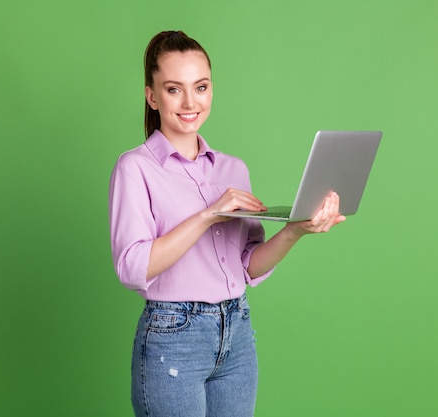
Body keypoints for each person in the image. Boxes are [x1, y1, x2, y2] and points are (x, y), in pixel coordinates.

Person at [109, 30, 345, 417]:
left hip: (236, 332)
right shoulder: (135, 168)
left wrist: (295, 230)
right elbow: (132, 268)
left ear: (211, 90)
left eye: (200, 87)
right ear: (152, 95)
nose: (190, 102)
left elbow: (248, 265)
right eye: (173, 89)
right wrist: (208, 215)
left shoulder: (234, 169)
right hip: (173, 337)